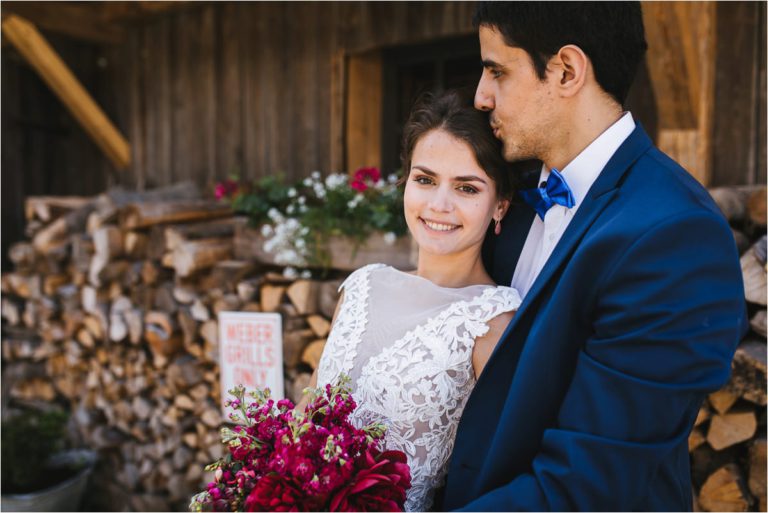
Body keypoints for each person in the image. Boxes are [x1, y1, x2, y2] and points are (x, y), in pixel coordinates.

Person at [440, 3, 749, 511]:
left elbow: (587, 488)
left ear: (566, 70)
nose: (480, 95)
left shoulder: (674, 238)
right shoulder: (504, 195)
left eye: (497, 70)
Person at [297, 89, 522, 511]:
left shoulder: (491, 323)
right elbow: (305, 416)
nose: (439, 204)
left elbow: (499, 475)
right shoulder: (363, 287)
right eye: (425, 179)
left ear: (499, 207)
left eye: (467, 188)